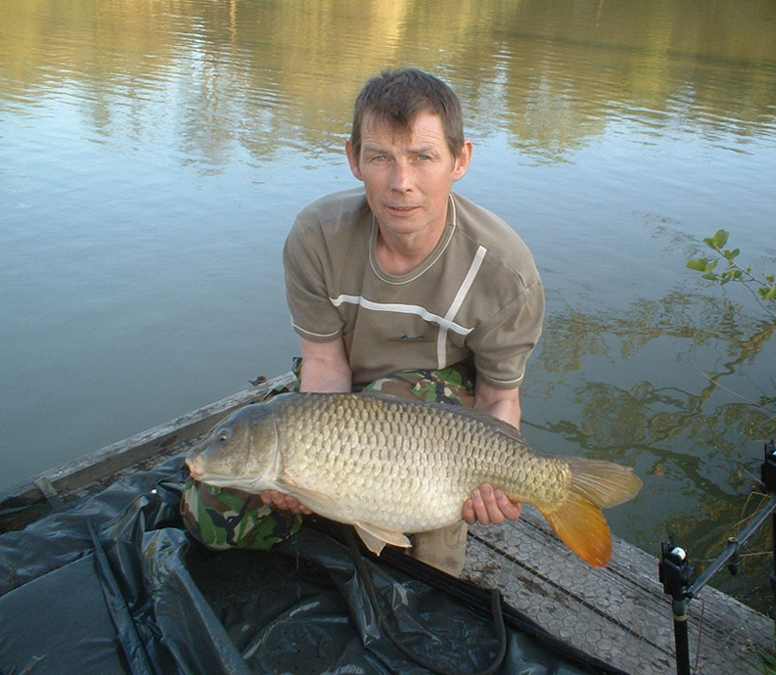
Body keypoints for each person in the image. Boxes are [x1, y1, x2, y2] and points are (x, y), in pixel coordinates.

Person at [182, 68, 545, 577]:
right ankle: (342, 507)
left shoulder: (506, 272)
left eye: (423, 157)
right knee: (214, 518)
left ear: (460, 159)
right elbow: (324, 363)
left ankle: (422, 523)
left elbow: (498, 397)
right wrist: (308, 472)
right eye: (381, 157)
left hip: (443, 419)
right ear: (354, 159)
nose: (401, 183)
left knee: (428, 575)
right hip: (346, 404)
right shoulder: (317, 237)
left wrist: (495, 478)